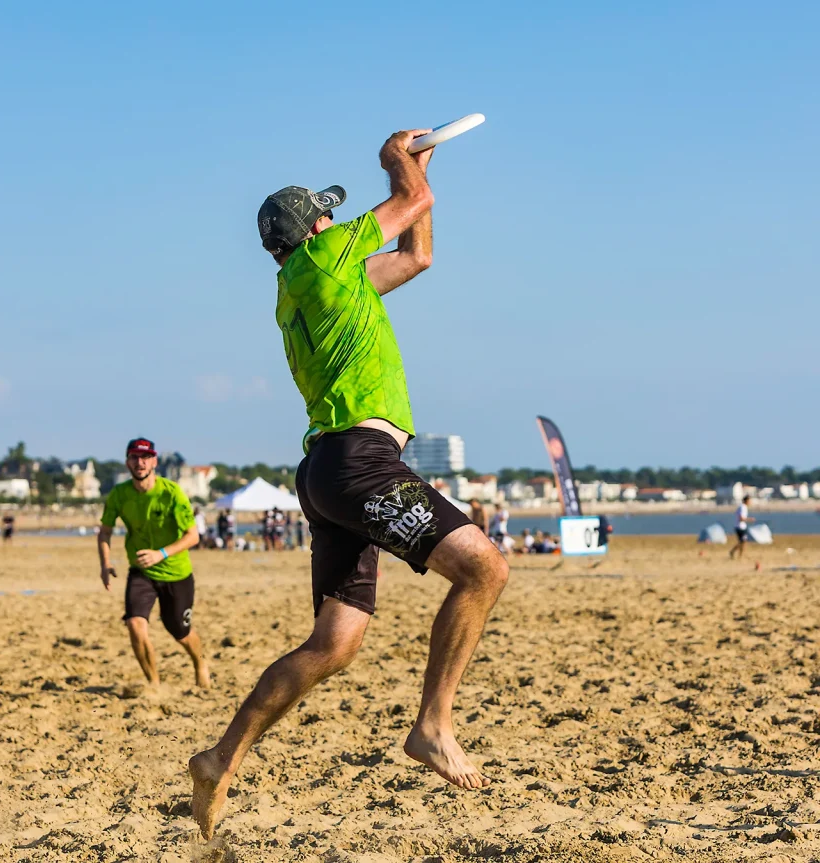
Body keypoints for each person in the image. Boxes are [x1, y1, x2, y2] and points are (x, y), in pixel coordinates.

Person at [190, 129, 510, 839]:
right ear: (318, 229)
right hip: (361, 462)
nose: (340, 222)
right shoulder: (324, 255)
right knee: (485, 566)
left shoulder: (309, 284)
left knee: (334, 643)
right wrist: (398, 158)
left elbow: (417, 252)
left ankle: (219, 758)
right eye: (331, 217)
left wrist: (416, 177)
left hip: (326, 471)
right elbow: (410, 198)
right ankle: (432, 724)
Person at [97, 437, 209, 689]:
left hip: (176, 573)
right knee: (135, 624)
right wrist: (105, 564)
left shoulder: (171, 493)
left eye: (145, 457)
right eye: (135, 457)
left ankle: (200, 663)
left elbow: (193, 536)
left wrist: (162, 553)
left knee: (180, 632)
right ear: (127, 462)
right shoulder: (120, 494)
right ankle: (154, 684)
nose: (140, 462)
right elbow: (104, 532)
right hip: (141, 571)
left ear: (155, 462)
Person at [730, 495, 754, 559]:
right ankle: (735, 553)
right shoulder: (743, 507)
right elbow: (741, 518)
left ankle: (739, 555)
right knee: (743, 542)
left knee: (742, 542)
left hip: (740, 527)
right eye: (749, 501)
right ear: (746, 501)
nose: (750, 502)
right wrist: (750, 519)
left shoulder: (743, 507)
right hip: (740, 527)